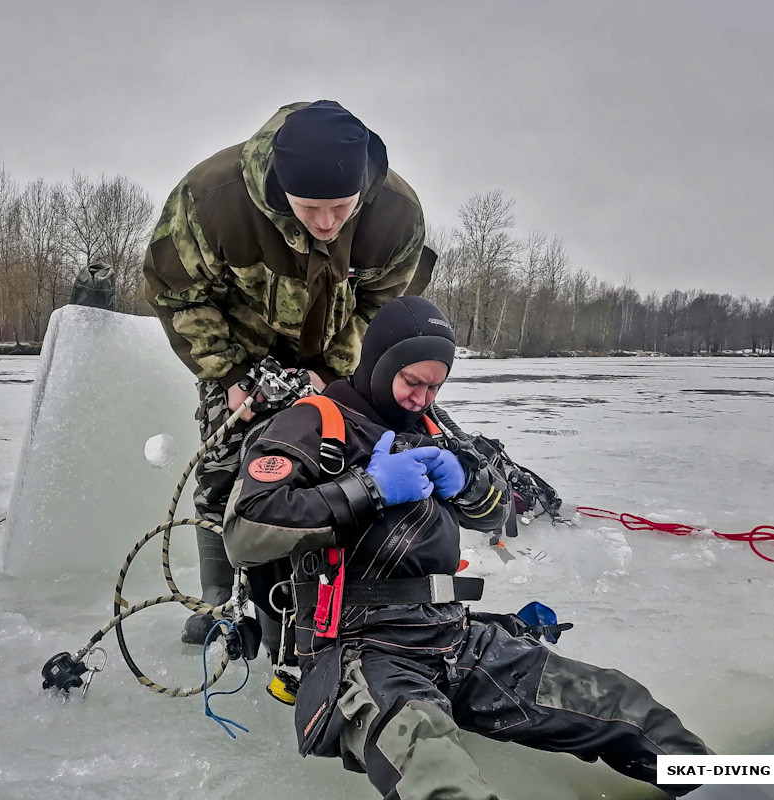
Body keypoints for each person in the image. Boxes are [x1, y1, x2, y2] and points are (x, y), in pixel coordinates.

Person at [222, 295, 710, 799]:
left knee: (622, 706)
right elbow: (243, 533)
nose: (422, 398)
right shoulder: (316, 422)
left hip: (454, 637)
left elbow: (501, 518)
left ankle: (738, 786)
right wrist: (366, 490)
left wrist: (468, 483)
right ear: (379, 363)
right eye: (412, 382)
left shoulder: (434, 429)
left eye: (435, 386)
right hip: (361, 651)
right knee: (439, 776)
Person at [142, 100, 435, 643]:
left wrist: (330, 371)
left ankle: (338, 597)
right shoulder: (211, 200)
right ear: (280, 185)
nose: (326, 225)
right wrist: (228, 377)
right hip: (238, 353)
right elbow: (175, 292)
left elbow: (382, 305)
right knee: (221, 472)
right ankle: (219, 605)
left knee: (343, 458)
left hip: (336, 353)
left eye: (342, 208)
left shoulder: (396, 214)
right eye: (309, 208)